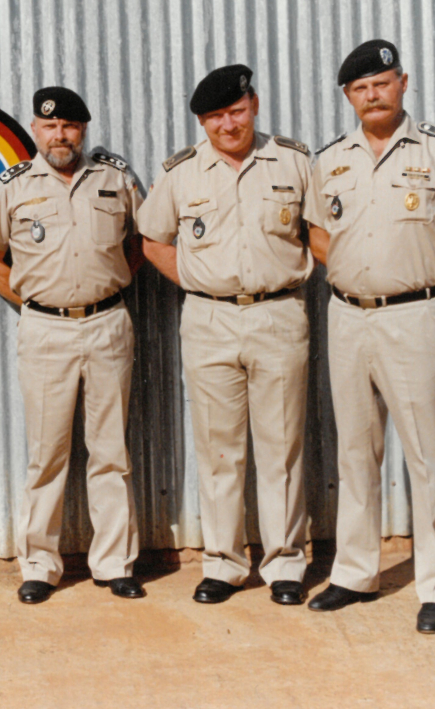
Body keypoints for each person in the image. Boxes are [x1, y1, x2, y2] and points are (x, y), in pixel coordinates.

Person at [305, 39, 435, 634]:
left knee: (427, 453)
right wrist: (352, 274)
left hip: (413, 319)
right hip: (347, 318)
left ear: (403, 83)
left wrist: (433, 288)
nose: (373, 95)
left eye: (382, 83)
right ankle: (354, 573)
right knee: (355, 451)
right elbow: (316, 234)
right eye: (361, 88)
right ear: (349, 96)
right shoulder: (330, 159)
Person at [139, 65, 314, 607]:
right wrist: (197, 282)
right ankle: (223, 563)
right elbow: (152, 239)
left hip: (278, 315)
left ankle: (285, 562)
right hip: (209, 322)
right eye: (214, 117)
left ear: (254, 105)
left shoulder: (293, 161)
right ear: (201, 122)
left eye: (236, 112)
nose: (228, 125)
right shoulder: (181, 172)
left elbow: (323, 232)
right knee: (219, 449)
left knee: (282, 447)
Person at [0, 86, 146, 605]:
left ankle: (114, 563)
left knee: (110, 451)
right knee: (47, 454)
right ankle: (39, 565)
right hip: (45, 330)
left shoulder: (115, 179)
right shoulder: (13, 186)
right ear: (35, 129)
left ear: (83, 130)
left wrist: (110, 281)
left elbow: (142, 243)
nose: (59, 135)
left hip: (108, 324)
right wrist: (32, 301)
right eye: (49, 126)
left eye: (69, 126)